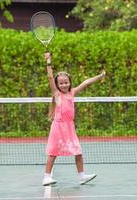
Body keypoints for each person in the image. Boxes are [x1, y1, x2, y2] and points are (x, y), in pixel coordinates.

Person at [42, 52, 105, 186]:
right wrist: (48, 62)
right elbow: (50, 78)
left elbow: (86, 82)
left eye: (66, 82)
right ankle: (46, 177)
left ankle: (82, 176)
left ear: (70, 83)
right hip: (58, 128)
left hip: (70, 128)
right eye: (61, 83)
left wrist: (100, 76)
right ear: (57, 85)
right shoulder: (57, 94)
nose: (64, 85)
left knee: (78, 152)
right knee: (53, 152)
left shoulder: (72, 92)